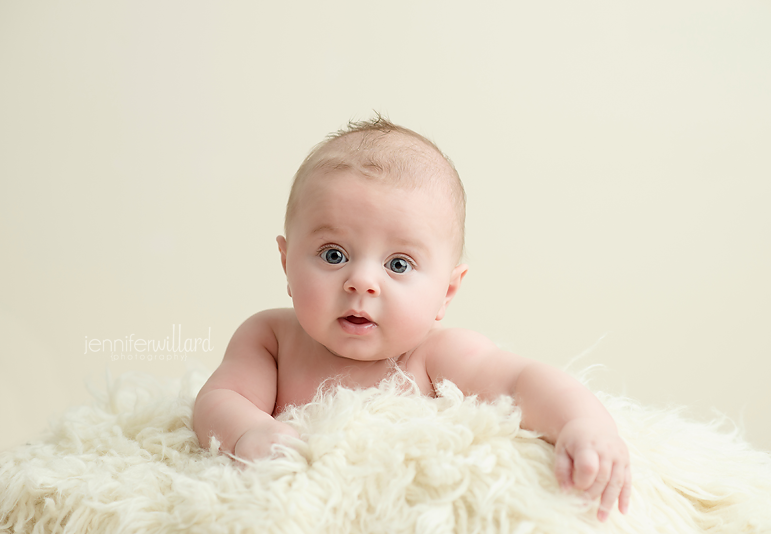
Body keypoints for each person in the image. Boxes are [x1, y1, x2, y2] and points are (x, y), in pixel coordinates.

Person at [193, 117, 631, 521]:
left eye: (398, 264)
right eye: (334, 255)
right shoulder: (270, 338)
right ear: (287, 263)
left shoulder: (438, 354)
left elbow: (523, 381)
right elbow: (220, 398)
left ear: (447, 291)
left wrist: (583, 423)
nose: (362, 281)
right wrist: (249, 432)